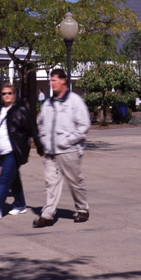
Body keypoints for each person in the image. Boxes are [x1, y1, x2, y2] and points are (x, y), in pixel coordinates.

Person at [0, 83, 41, 220]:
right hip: (1, 150)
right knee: (13, 178)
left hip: (14, 150)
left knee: (4, 178)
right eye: (4, 94)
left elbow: (32, 128)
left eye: (9, 93)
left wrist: (39, 147)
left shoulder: (21, 110)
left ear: (14, 95)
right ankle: (20, 204)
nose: (6, 96)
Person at [34, 68, 88, 227]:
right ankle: (47, 215)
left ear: (63, 81)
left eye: (54, 80)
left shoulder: (74, 101)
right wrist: (43, 141)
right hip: (50, 152)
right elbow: (41, 123)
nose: (51, 83)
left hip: (68, 150)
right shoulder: (48, 104)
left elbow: (83, 125)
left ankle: (83, 209)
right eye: (50, 80)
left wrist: (68, 140)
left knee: (75, 182)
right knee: (51, 184)